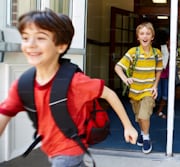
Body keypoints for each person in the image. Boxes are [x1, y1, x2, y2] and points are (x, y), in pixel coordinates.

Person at [0, 9, 138, 167]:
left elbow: (109, 94)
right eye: (25, 38)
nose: (30, 45)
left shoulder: (75, 82)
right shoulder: (24, 84)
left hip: (69, 151)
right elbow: (4, 112)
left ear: (61, 46)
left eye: (40, 38)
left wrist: (128, 126)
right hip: (51, 149)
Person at [114, 22, 163, 154]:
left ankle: (146, 138)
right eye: (142, 33)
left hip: (148, 91)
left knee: (144, 115)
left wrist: (155, 86)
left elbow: (158, 71)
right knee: (139, 118)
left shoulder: (157, 53)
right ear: (138, 37)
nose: (145, 36)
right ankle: (142, 133)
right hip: (134, 92)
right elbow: (118, 67)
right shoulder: (133, 52)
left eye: (148, 33)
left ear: (152, 36)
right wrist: (125, 79)